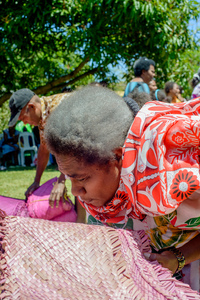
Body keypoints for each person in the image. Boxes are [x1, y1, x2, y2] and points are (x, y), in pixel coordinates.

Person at [44, 85, 200, 290]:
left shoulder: (172, 176)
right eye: (69, 178)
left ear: (118, 157)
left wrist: (178, 258)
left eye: (81, 179)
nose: (75, 192)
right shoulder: (118, 190)